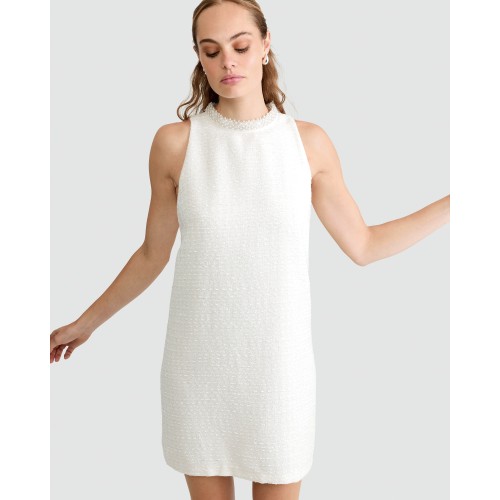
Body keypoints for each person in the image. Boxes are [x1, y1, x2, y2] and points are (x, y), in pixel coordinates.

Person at [50, 1, 450, 499]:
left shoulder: (308, 144)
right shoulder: (175, 144)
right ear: (199, 57)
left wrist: (457, 204)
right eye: (211, 51)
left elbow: (364, 245)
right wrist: (85, 323)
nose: (228, 62)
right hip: (198, 366)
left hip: (278, 371)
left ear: (265, 44)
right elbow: (153, 254)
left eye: (240, 46)